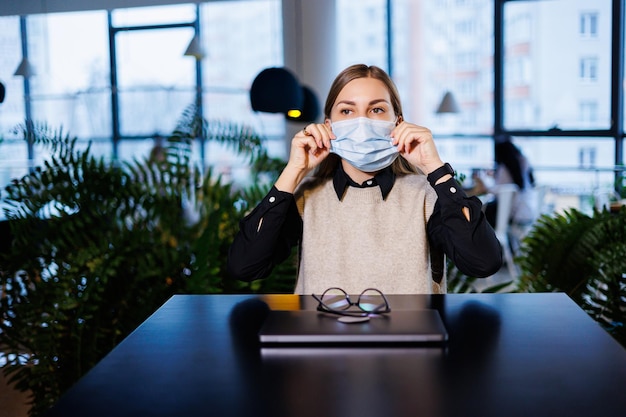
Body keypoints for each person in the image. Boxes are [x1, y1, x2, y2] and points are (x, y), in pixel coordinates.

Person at [227, 64, 502, 295]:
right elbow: (245, 265)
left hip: (408, 348)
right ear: (328, 126)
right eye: (347, 111)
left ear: (398, 122)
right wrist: (293, 172)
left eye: (377, 110)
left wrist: (435, 169)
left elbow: (483, 262)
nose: (361, 123)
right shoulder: (305, 198)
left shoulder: (427, 197)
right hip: (323, 348)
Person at [470, 137, 537, 227]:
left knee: (478, 213)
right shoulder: (522, 162)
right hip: (526, 207)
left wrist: (483, 184)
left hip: (513, 213)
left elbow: (499, 190)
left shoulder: (504, 169)